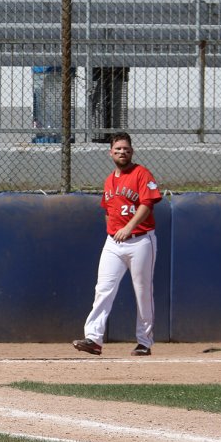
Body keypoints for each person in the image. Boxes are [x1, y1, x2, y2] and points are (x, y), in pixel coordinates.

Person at [73, 132, 162, 357]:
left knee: (142, 292)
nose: (122, 152)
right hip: (114, 242)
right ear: (110, 153)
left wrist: (129, 227)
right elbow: (108, 209)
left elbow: (147, 204)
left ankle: (144, 342)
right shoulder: (109, 180)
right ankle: (93, 338)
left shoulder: (141, 173)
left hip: (140, 240)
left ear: (132, 151)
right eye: (118, 149)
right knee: (103, 289)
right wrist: (112, 231)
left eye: (126, 149)